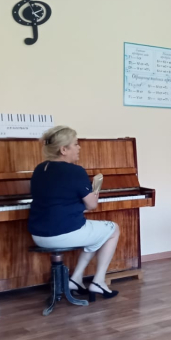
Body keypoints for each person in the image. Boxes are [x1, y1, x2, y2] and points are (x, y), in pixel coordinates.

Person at [28, 126, 120, 301]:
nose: (79, 147)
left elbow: (58, 199)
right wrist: (95, 193)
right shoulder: (75, 171)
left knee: (96, 232)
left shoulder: (40, 168)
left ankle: (76, 279)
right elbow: (92, 205)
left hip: (38, 235)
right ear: (63, 150)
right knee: (113, 229)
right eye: (75, 144)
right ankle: (99, 281)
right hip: (62, 234)